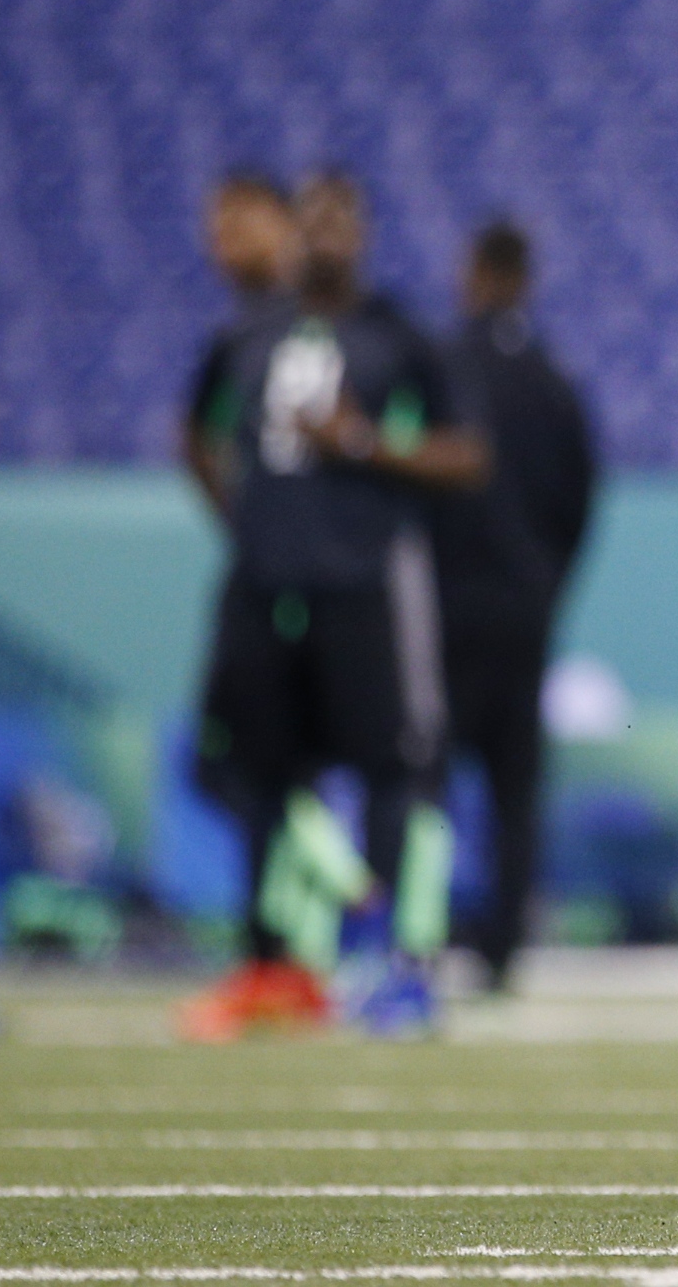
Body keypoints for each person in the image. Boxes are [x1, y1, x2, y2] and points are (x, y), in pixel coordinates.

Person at [178, 173, 490, 1041]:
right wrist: (245, 518)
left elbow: (466, 455)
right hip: (262, 585)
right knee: (258, 777)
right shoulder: (248, 332)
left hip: (362, 588)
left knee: (393, 773)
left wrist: (361, 443)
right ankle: (273, 964)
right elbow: (195, 433)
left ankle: (404, 961)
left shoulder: (398, 339)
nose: (325, 233)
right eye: (312, 217)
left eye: (341, 217)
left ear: (364, 230)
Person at [430, 221, 595, 992]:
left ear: (476, 272)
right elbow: (581, 497)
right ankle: (503, 947)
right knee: (514, 786)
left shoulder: (442, 369)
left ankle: (414, 934)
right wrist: (548, 585)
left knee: (422, 776)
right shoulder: (554, 381)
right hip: (525, 610)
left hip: (445, 606)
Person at [183, 170, 300, 518]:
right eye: (217, 223)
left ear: (287, 224)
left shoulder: (335, 316)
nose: (223, 232)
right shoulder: (234, 340)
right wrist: (243, 523)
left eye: (241, 218)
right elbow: (197, 437)